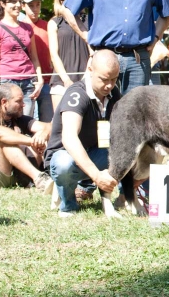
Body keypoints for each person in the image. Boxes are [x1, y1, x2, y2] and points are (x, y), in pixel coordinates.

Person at [47, 50, 121, 216]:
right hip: (65, 155)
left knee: (129, 153)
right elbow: (69, 138)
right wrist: (96, 175)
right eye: (104, 79)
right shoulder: (76, 94)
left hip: (96, 151)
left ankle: (125, 198)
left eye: (114, 79)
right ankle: (68, 205)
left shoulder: (113, 92)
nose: (109, 85)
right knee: (63, 165)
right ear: (90, 70)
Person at [0, 83, 52, 191]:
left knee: (41, 135)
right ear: (4, 102)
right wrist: (32, 141)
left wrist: (43, 134)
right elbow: (1, 134)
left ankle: (49, 173)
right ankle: (39, 178)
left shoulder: (19, 118)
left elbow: (49, 127)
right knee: (4, 142)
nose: (23, 105)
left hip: (16, 175)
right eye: (18, 101)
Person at [0, 0, 43, 117]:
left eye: (19, 1)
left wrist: (39, 79)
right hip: (7, 81)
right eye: (13, 2)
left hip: (28, 81)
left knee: (27, 120)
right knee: (8, 121)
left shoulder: (28, 28)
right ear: (3, 4)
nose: (17, 5)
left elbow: (34, 57)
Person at [48, 0, 91, 111]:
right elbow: (54, 55)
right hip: (60, 81)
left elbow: (94, 52)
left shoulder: (90, 20)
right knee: (59, 124)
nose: (66, 0)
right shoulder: (54, 23)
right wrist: (66, 80)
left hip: (87, 79)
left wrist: (85, 78)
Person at [22, 0, 54, 122]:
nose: (35, 9)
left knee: (47, 123)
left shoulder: (48, 26)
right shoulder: (19, 27)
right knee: (26, 122)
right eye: (30, 5)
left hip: (47, 82)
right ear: (23, 5)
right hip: (26, 83)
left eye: (38, 4)